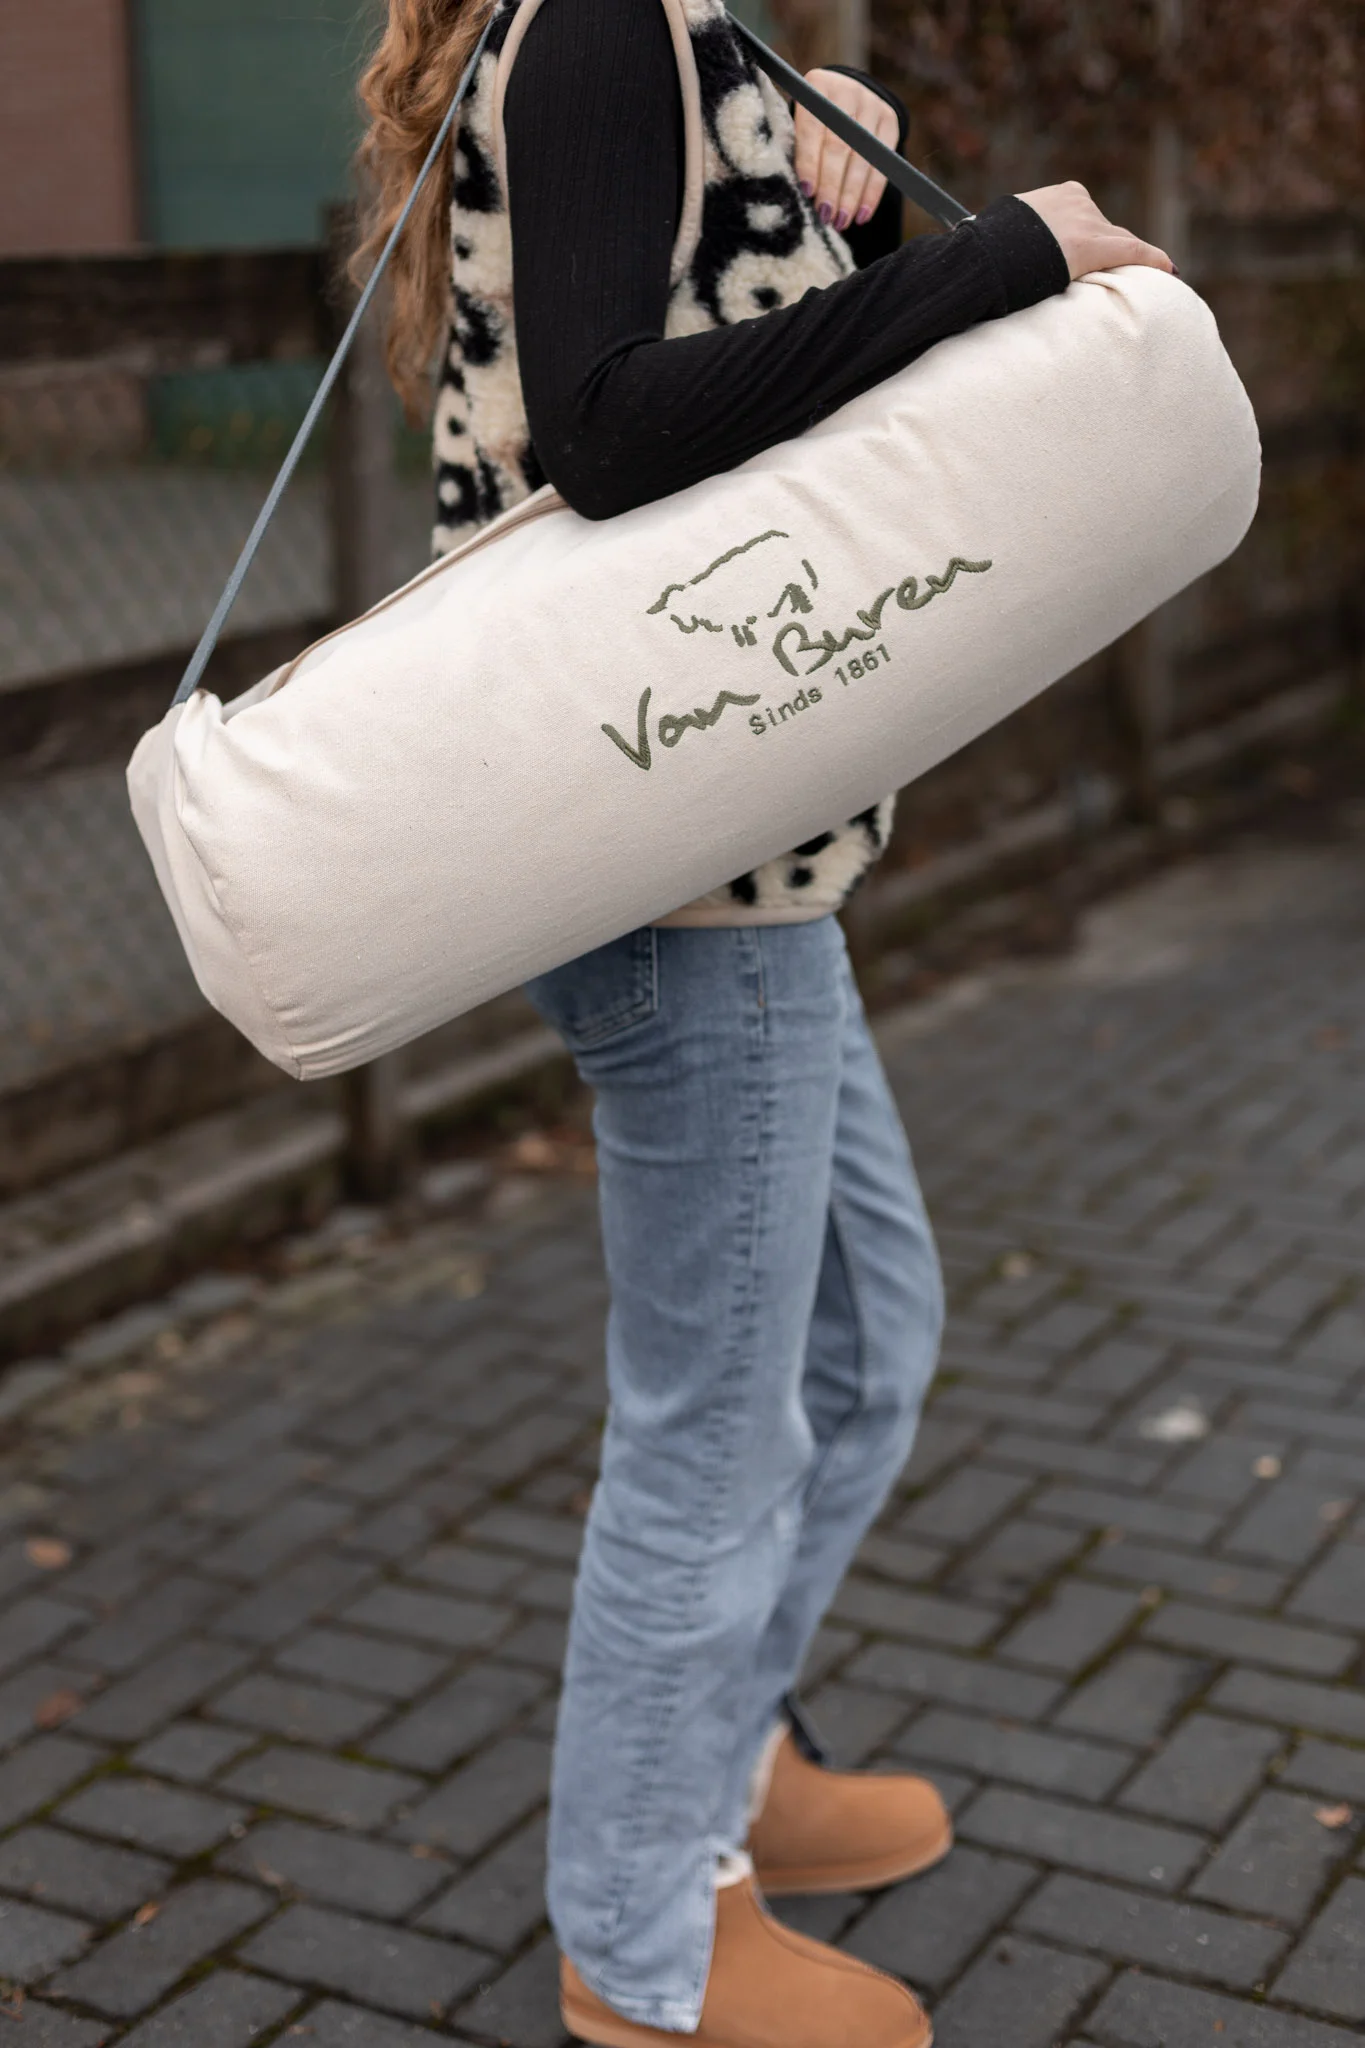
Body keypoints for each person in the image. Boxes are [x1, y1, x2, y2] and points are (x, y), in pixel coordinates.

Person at [357, 5, 1173, 2043]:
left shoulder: (670, 27)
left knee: (866, 1340)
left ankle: (727, 1755)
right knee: (717, 1428)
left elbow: (752, 357)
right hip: (680, 869)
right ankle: (645, 1940)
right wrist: (1007, 251)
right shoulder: (602, 20)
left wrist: (847, 174)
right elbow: (613, 428)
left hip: (741, 856)